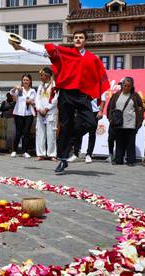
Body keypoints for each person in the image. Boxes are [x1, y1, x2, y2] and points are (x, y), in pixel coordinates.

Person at [12, 31, 109, 173]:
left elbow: (100, 78)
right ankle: (63, 160)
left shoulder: (92, 59)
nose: (77, 39)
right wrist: (23, 48)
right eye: (75, 37)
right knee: (65, 126)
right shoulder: (66, 53)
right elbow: (44, 52)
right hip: (65, 93)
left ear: (85, 41)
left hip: (82, 95)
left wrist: (101, 103)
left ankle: (70, 141)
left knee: (91, 123)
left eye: (81, 37)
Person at [107, 77, 143, 166]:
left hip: (131, 123)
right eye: (125, 85)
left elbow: (140, 108)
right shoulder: (116, 95)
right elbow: (110, 108)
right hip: (119, 123)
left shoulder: (135, 96)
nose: (126, 87)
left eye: (128, 86)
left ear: (131, 87)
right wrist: (110, 118)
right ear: (122, 85)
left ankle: (130, 161)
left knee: (130, 143)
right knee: (119, 142)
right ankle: (118, 160)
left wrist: (139, 122)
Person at [68, 94, 106, 163]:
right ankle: (76, 153)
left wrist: (100, 111)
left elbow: (103, 100)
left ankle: (89, 154)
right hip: (82, 110)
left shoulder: (99, 85)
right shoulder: (84, 84)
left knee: (92, 132)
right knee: (77, 130)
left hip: (94, 111)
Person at [9, 74, 36, 158]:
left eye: (27, 80)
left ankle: (25, 151)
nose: (25, 82)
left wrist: (30, 102)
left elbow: (34, 101)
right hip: (19, 113)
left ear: (30, 81)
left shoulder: (33, 91)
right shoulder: (20, 89)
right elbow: (11, 93)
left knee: (26, 132)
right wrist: (15, 88)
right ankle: (14, 150)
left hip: (29, 114)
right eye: (24, 80)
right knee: (18, 132)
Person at [35, 67, 58, 161]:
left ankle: (52, 154)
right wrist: (39, 108)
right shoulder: (40, 86)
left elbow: (55, 99)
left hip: (50, 112)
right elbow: (37, 98)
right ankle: (41, 153)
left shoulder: (54, 85)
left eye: (42, 75)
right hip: (40, 112)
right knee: (40, 133)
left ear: (47, 76)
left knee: (51, 133)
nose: (40, 77)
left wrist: (47, 108)